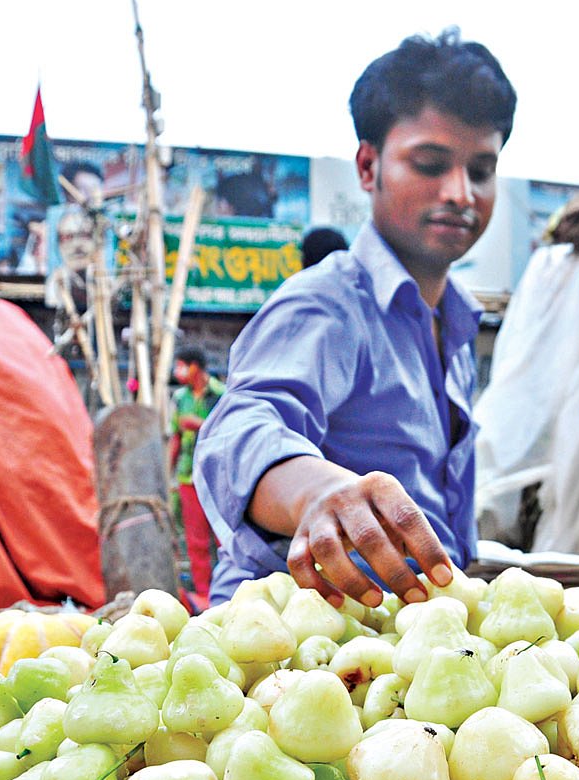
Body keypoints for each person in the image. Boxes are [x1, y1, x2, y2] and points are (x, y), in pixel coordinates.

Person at [195, 27, 517, 609]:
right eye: (430, 163)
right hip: (294, 650)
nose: (460, 193)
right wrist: (318, 491)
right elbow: (240, 429)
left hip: (416, 647)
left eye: (481, 170)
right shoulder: (326, 304)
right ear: (368, 167)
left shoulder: (459, 326)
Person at [169, 345, 226, 604]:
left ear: (194, 366)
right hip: (188, 478)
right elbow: (176, 437)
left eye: (181, 364)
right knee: (196, 540)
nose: (177, 371)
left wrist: (200, 425)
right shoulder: (180, 398)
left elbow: (230, 433)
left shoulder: (221, 394)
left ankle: (230, 592)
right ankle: (204, 595)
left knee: (224, 538)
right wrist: (166, 472)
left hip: (217, 477)